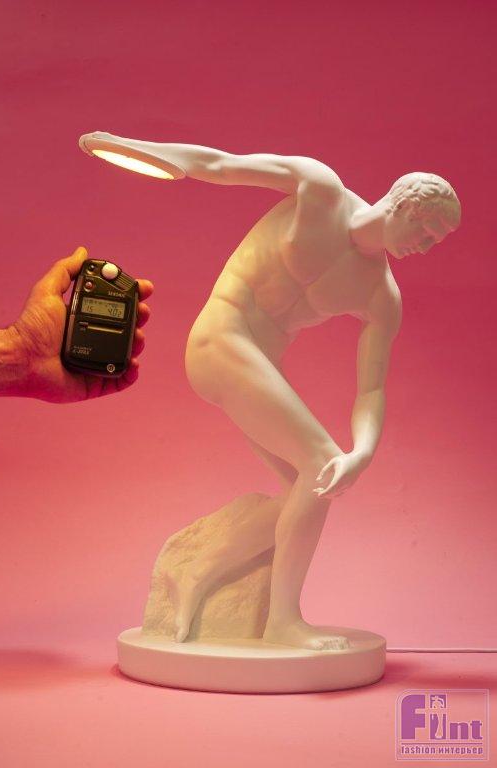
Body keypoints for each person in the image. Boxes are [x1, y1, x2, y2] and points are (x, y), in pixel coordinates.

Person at [87, 133, 460, 650]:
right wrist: (136, 150)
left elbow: (371, 389)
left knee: (312, 488)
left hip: (257, 367)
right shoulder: (320, 189)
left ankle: (196, 571)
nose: (425, 247)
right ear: (406, 205)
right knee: (320, 463)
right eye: (427, 232)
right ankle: (283, 621)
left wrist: (364, 452)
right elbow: (221, 165)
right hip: (221, 338)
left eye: (435, 242)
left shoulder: (380, 294)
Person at [0, 246, 153, 402]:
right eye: (93, 306)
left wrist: (23, 354)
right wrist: (24, 351)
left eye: (112, 311)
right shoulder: (121, 287)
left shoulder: (126, 288)